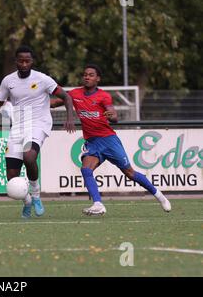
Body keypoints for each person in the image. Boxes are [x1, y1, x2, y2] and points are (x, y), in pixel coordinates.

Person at [50, 64, 171, 215]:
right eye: (85, 74)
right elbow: (55, 103)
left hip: (109, 141)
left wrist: (112, 116)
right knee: (86, 169)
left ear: (97, 79)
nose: (87, 77)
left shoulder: (103, 96)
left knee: (130, 173)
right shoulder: (75, 94)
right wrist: (33, 102)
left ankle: (160, 196)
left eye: (91, 75)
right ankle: (98, 204)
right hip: (93, 142)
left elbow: (113, 114)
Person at [0, 45, 76, 218]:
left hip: (39, 124)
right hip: (18, 127)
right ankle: (27, 201)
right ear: (16, 61)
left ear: (32, 62)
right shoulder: (8, 81)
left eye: (27, 61)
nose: (24, 64)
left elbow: (66, 96)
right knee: (12, 177)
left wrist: (70, 117)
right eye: (21, 60)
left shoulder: (43, 79)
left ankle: (36, 195)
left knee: (29, 156)